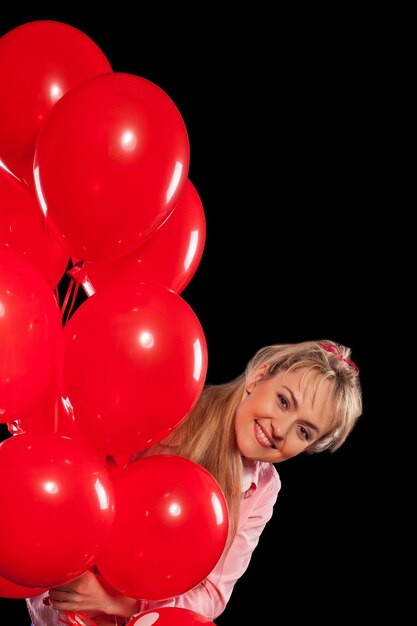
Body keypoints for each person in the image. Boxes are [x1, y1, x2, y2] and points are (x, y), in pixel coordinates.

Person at [26, 339, 362, 626]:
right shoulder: (172, 412)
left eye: (304, 431)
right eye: (283, 401)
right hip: (58, 594)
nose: (280, 430)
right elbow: (79, 483)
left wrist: (122, 604)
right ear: (259, 377)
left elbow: (213, 594)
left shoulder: (262, 488)